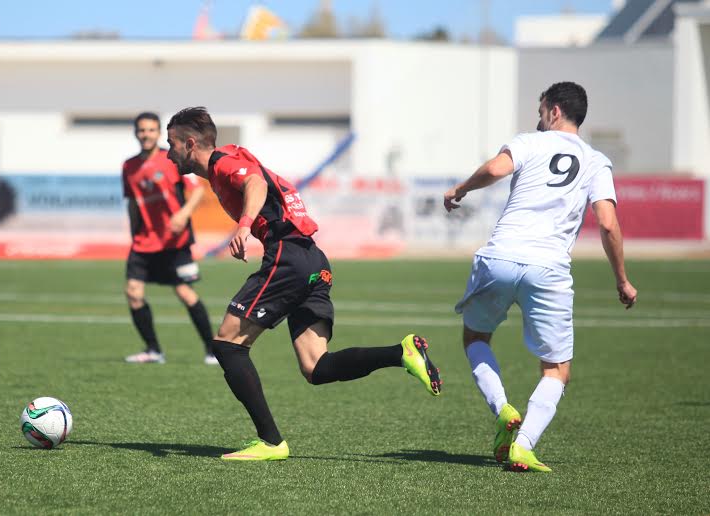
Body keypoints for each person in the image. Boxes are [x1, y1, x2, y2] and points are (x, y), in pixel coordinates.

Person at [165, 106, 442, 461]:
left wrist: (245, 226)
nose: (169, 153)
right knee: (316, 367)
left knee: (228, 344)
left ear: (190, 144)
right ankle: (401, 353)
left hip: (289, 256)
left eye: (172, 144)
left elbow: (255, 183)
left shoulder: (223, 162)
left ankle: (270, 442)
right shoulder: (232, 158)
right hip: (313, 259)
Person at [444, 82, 637, 472]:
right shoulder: (596, 161)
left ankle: (502, 408)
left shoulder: (529, 142)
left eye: (541, 111)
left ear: (554, 111)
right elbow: (607, 223)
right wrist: (621, 279)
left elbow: (495, 169)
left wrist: (460, 189)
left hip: (500, 256)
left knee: (476, 338)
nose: (538, 119)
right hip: (549, 269)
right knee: (556, 369)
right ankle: (524, 445)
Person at [122, 112, 217, 365]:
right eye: (142, 130)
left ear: (158, 133)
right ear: (136, 133)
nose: (146, 135)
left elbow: (197, 192)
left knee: (185, 293)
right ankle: (153, 350)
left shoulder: (172, 158)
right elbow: (132, 203)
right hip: (144, 241)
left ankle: (212, 350)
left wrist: (183, 215)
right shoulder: (128, 166)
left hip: (175, 241)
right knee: (133, 292)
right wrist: (133, 232)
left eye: (151, 130)